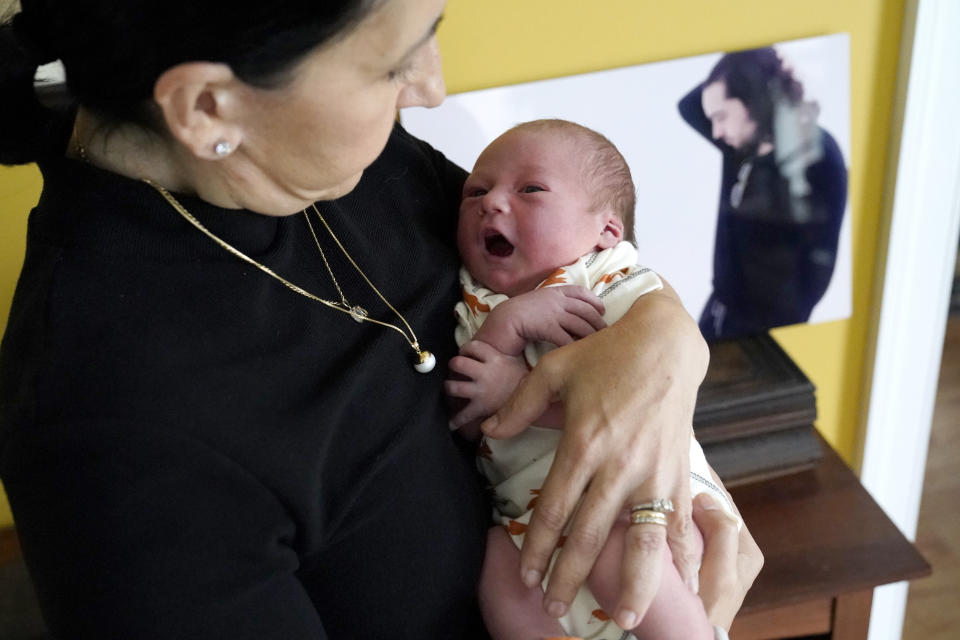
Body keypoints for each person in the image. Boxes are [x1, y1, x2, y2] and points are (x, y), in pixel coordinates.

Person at [0, 1, 761, 637]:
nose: (431, 87)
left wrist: (668, 345)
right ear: (207, 109)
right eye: (394, 63)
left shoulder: (336, 163)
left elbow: (579, 256)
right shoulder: (111, 425)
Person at [446, 119, 741, 640]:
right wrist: (504, 327)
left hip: (638, 506)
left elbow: (642, 395)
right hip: (532, 527)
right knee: (491, 567)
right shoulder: (472, 299)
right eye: (476, 191)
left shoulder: (606, 283)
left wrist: (519, 390)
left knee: (614, 544)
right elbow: (470, 418)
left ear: (606, 231)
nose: (491, 202)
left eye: (530, 189)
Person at [678, 46, 848, 341]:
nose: (716, 131)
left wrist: (759, 75)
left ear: (753, 100)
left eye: (721, 116)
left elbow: (811, 273)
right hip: (719, 313)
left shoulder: (814, 156)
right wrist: (756, 61)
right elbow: (690, 106)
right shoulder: (744, 147)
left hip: (754, 336)